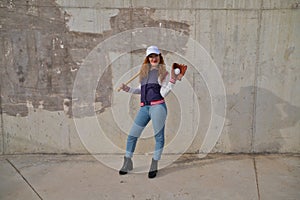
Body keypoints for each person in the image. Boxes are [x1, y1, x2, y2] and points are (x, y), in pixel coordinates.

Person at [118, 45, 181, 178]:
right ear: (147, 58)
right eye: (150, 56)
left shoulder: (163, 73)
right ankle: (127, 161)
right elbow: (140, 90)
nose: (153, 58)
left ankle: (154, 163)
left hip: (158, 107)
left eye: (155, 55)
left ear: (159, 56)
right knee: (132, 136)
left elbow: (163, 93)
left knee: (158, 138)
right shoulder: (144, 73)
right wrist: (127, 89)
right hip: (144, 108)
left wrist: (172, 81)